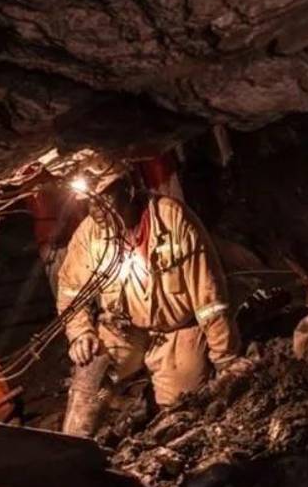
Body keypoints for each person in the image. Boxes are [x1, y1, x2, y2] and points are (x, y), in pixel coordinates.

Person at [55, 152, 251, 436]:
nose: (96, 209)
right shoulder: (89, 235)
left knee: (180, 407)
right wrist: (80, 333)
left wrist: (226, 358)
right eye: (90, 202)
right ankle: (73, 444)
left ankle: (152, 404)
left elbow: (209, 297)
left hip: (177, 330)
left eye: (104, 197)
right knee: (91, 373)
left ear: (128, 188)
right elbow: (70, 291)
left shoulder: (172, 219)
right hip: (125, 330)